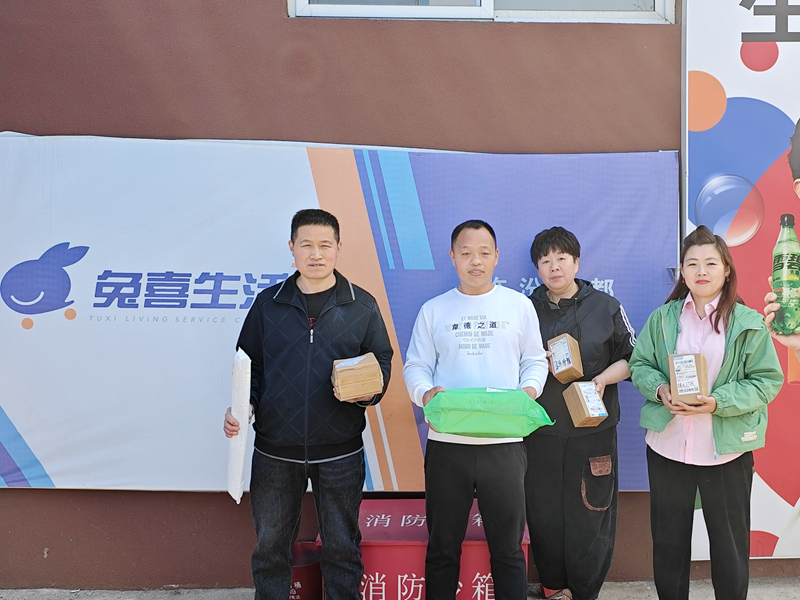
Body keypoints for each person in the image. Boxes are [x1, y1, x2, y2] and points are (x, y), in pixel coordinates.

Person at [223, 208, 393, 600]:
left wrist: (368, 391)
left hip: (340, 451)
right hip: (275, 451)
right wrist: (244, 406)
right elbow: (248, 365)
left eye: (325, 245)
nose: (316, 254)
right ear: (292, 247)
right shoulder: (268, 304)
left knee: (342, 548)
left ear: (338, 248)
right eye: (307, 245)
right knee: (270, 548)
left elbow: (381, 362)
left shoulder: (361, 305)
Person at [630, 226, 783, 600]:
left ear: (726, 270)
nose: (701, 270)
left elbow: (767, 381)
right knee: (669, 544)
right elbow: (640, 365)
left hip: (725, 451)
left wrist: (718, 401)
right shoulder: (663, 318)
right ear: (682, 272)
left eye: (711, 263)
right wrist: (660, 389)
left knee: (730, 548)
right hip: (668, 446)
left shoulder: (746, 322)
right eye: (692, 263)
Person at [403, 219, 549, 600]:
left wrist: (529, 391)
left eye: (484, 253)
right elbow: (415, 366)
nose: (475, 261)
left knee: (508, 549)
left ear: (497, 256)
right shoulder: (434, 310)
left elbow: (535, 360)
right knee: (442, 548)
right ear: (452, 257)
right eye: (466, 253)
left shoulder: (518, 306)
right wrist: (425, 393)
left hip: (504, 444)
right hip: (447, 445)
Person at [524, 227, 635, 600]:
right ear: (537, 268)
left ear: (576, 261)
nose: (554, 267)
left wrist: (602, 380)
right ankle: (554, 588)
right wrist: (536, 364)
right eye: (545, 260)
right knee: (543, 512)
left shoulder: (605, 306)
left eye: (561, 258)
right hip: (540, 430)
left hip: (594, 432)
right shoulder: (524, 309)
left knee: (592, 511)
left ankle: (585, 591)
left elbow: (633, 359)